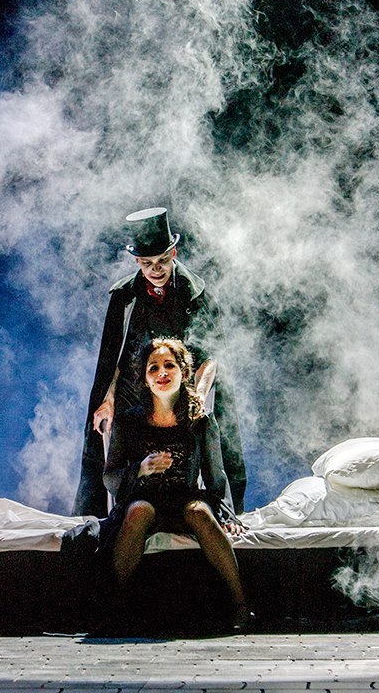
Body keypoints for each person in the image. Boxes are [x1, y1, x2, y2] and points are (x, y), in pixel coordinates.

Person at [73, 207, 246, 518]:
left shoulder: (195, 293)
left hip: (185, 383)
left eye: (162, 261)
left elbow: (211, 354)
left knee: (204, 444)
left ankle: (214, 514)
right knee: (117, 446)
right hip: (135, 386)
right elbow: (114, 356)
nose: (156, 269)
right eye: (147, 263)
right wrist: (108, 400)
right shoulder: (124, 296)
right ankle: (122, 518)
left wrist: (197, 396)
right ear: (137, 262)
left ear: (173, 254)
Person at [102, 337, 251, 631]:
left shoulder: (201, 420)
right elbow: (110, 475)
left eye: (169, 365)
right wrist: (140, 469)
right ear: (145, 379)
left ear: (183, 372)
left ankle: (240, 605)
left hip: (184, 499)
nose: (162, 373)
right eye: (153, 368)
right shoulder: (129, 421)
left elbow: (216, 476)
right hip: (144, 499)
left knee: (199, 512)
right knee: (139, 511)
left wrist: (227, 516)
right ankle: (113, 608)